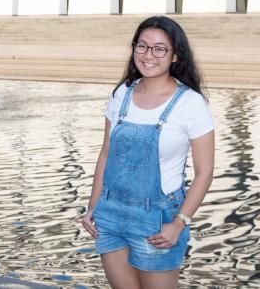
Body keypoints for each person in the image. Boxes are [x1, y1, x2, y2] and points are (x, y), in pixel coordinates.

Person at [82, 16, 215, 289]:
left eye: (159, 48)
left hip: (158, 220)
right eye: (141, 46)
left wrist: (179, 223)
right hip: (111, 214)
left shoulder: (191, 104)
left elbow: (204, 173)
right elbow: (106, 153)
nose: (148, 55)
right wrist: (93, 205)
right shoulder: (121, 94)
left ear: (176, 55)